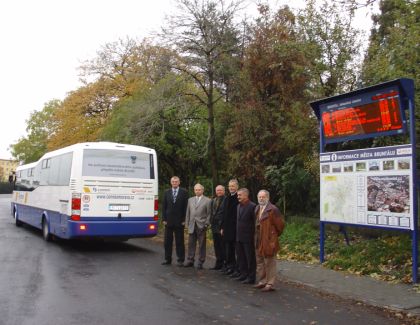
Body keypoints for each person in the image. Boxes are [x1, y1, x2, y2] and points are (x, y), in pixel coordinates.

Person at [254, 190, 285, 292]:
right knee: (260, 261)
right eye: (259, 197)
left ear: (268, 198)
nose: (261, 199)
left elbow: (280, 226)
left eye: (263, 197)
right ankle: (262, 281)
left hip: (269, 240)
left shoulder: (273, 209)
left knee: (270, 262)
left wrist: (272, 236)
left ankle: (270, 283)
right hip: (259, 239)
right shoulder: (257, 208)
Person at [161, 176, 189, 266]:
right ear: (171, 182)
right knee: (167, 242)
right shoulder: (166, 192)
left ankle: (180, 260)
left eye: (176, 181)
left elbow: (186, 207)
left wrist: (184, 219)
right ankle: (167, 259)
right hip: (168, 221)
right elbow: (164, 207)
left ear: (179, 182)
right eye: (173, 181)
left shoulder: (184, 192)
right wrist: (164, 219)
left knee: (180, 241)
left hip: (180, 221)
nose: (174, 183)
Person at [184, 183, 211, 269]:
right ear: (194, 190)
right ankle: (190, 260)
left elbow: (209, 214)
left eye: (199, 190)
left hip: (201, 225)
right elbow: (188, 212)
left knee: (202, 244)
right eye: (196, 190)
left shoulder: (208, 200)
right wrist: (187, 223)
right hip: (192, 225)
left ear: (202, 190)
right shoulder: (190, 200)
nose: (197, 191)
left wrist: (206, 224)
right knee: (191, 243)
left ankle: (201, 261)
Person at [235, 188, 256, 284]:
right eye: (238, 195)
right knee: (241, 257)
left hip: (248, 237)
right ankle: (243, 274)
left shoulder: (253, 206)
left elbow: (255, 223)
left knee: (250, 258)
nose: (238, 196)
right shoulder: (238, 206)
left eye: (240, 195)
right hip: (239, 236)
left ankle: (251, 277)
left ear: (246, 196)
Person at [220, 179, 239, 275]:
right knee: (229, 249)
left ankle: (236, 268)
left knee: (236, 250)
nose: (231, 188)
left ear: (237, 187)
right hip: (227, 228)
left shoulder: (238, 198)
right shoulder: (227, 198)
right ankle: (230, 266)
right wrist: (222, 227)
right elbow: (224, 214)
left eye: (233, 186)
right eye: (230, 186)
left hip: (235, 228)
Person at [209, 185, 226, 270]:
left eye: (220, 190)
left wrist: (223, 226)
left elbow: (225, 214)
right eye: (217, 190)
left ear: (224, 191)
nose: (219, 192)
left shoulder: (226, 200)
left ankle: (224, 264)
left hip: (222, 226)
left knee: (223, 246)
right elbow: (212, 212)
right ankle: (218, 263)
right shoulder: (213, 200)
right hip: (214, 226)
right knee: (216, 246)